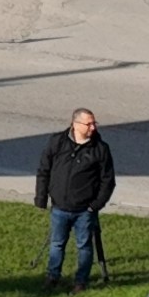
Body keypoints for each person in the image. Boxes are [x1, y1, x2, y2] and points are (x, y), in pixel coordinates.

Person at [33, 108, 118, 287]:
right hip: (59, 207)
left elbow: (108, 181)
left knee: (84, 246)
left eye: (94, 123)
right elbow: (44, 170)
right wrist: (41, 197)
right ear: (75, 124)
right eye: (89, 124)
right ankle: (52, 277)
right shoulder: (57, 142)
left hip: (85, 210)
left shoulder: (100, 149)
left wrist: (95, 205)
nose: (93, 127)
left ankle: (81, 281)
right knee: (57, 244)